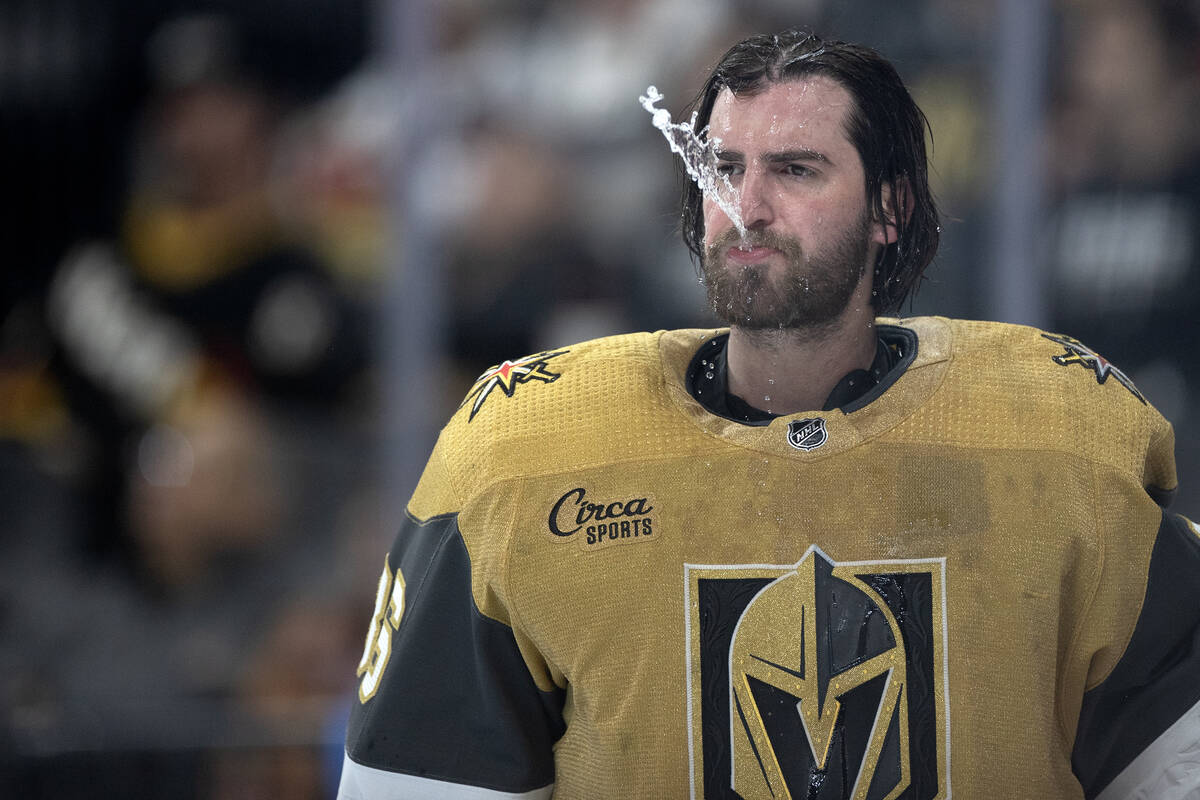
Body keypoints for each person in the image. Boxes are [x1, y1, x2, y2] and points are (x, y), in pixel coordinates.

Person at [337, 30, 1200, 799]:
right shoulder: (520, 451)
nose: (745, 207)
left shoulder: (1059, 439)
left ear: (890, 209)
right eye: (721, 168)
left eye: (795, 170)